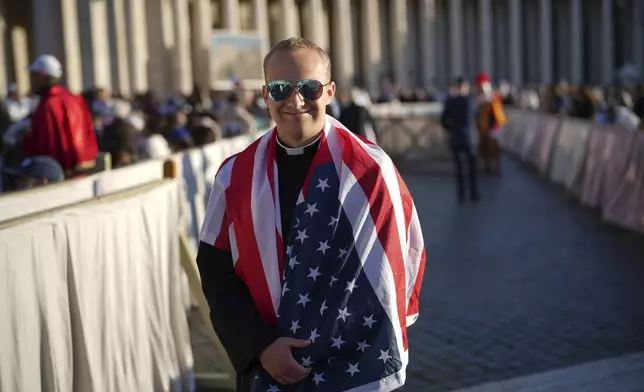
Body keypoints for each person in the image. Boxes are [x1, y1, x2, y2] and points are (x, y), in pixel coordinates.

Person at [196, 37, 426, 392]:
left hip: (354, 370)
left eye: (308, 87)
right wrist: (260, 346)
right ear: (264, 95)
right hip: (266, 365)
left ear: (330, 92)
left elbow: (401, 265)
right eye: (280, 88)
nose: (295, 100)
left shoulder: (372, 172)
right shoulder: (233, 176)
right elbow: (215, 273)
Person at [21, 55, 99, 177]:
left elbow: (47, 145)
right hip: (84, 169)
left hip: (63, 173)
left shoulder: (48, 105)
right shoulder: (75, 99)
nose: (31, 81)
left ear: (41, 76)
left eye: (33, 76)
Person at [441, 77, 480, 203]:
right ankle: (473, 192)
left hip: (456, 137)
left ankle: (461, 193)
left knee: (459, 167)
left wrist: (451, 129)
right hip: (470, 137)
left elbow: (444, 120)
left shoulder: (451, 101)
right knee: (472, 167)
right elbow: (477, 116)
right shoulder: (471, 101)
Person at [474, 73, 506, 175]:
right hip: (482, 128)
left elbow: (498, 114)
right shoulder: (477, 99)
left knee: (494, 149)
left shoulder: (493, 99)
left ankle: (496, 168)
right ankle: (487, 167)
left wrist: (496, 126)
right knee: (484, 149)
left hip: (492, 127)